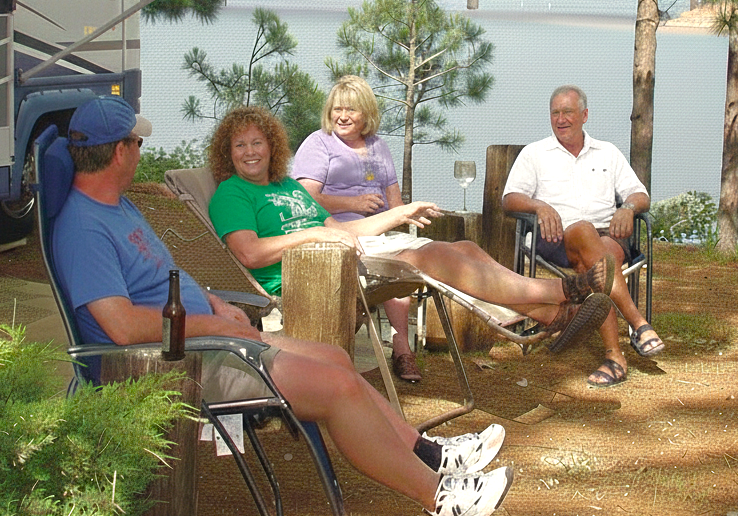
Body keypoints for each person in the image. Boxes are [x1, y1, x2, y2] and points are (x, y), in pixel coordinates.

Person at [48, 96, 514, 516]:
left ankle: (430, 454)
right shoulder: (83, 227)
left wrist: (213, 301)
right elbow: (123, 327)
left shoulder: (118, 205)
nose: (139, 149)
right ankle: (442, 498)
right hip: (167, 364)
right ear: (117, 153)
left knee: (334, 358)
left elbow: (163, 279)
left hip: (207, 339)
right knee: (335, 386)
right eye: (135, 142)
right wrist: (214, 323)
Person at [207, 105, 615, 355]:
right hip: (311, 279)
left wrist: (400, 213)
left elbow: (348, 229)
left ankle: (554, 316)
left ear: (271, 146)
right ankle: (562, 291)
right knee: (428, 258)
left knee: (467, 248)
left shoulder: (288, 187)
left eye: (256, 143)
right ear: (228, 153)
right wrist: (314, 236)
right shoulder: (232, 194)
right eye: (240, 146)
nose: (250, 153)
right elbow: (251, 254)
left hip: (345, 252)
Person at [501, 84, 663, 389]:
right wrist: (538, 205)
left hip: (608, 237)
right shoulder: (535, 154)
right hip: (558, 238)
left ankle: (616, 358)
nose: (561, 119)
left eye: (568, 112)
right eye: (555, 113)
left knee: (595, 262)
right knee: (584, 232)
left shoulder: (608, 152)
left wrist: (627, 207)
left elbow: (640, 194)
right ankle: (637, 323)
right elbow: (509, 199)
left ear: (584, 115)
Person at [293, 75, 422, 382]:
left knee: (403, 262)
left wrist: (397, 221)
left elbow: (393, 201)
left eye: (351, 110)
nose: (343, 116)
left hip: (377, 232)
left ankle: (401, 347)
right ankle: (399, 348)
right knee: (391, 265)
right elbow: (303, 199)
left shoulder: (379, 147)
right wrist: (353, 202)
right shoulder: (319, 143)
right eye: (337, 109)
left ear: (367, 114)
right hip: (334, 232)